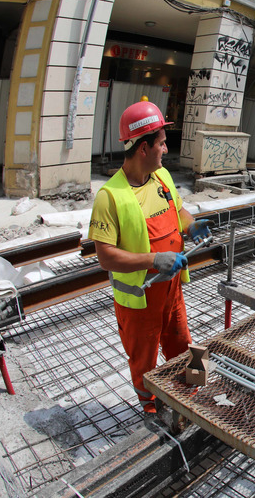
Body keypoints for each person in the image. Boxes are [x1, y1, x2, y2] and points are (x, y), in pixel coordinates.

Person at [88, 99, 212, 415]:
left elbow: (178, 212)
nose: (165, 149)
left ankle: (192, 396)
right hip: (140, 300)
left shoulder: (162, 178)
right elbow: (105, 257)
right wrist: (154, 260)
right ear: (143, 148)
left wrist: (192, 225)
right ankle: (152, 411)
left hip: (171, 290)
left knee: (184, 344)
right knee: (143, 360)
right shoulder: (110, 197)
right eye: (161, 143)